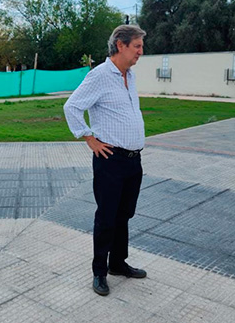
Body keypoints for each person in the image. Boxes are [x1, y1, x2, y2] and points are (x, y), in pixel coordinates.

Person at [63, 25, 147, 296]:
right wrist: (89, 138)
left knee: (124, 215)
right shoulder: (100, 74)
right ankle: (99, 272)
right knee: (107, 217)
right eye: (137, 46)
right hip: (110, 160)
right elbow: (72, 106)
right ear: (120, 45)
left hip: (133, 161)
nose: (140, 52)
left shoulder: (129, 76)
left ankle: (118, 263)